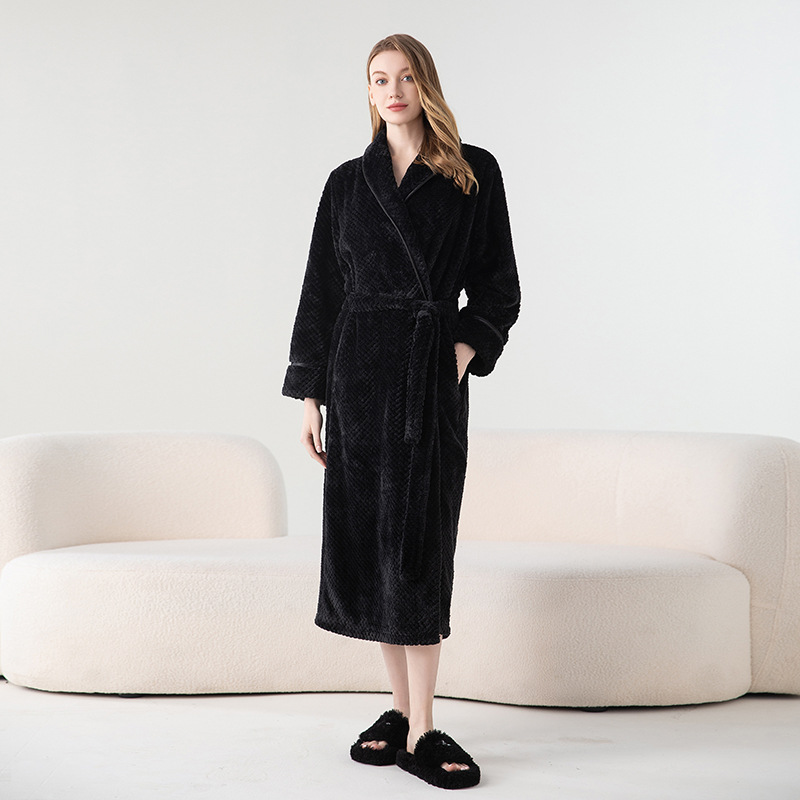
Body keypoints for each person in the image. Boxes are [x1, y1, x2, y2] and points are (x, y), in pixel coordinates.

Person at [281, 33, 521, 790]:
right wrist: (311, 395)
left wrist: (458, 355)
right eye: (379, 79)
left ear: (427, 86)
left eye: (406, 77)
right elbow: (320, 292)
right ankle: (399, 710)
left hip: (425, 383)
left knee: (419, 548)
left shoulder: (472, 173)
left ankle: (424, 727)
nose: (393, 91)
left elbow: (499, 286)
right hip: (356, 382)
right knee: (372, 548)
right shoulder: (346, 184)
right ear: (368, 91)